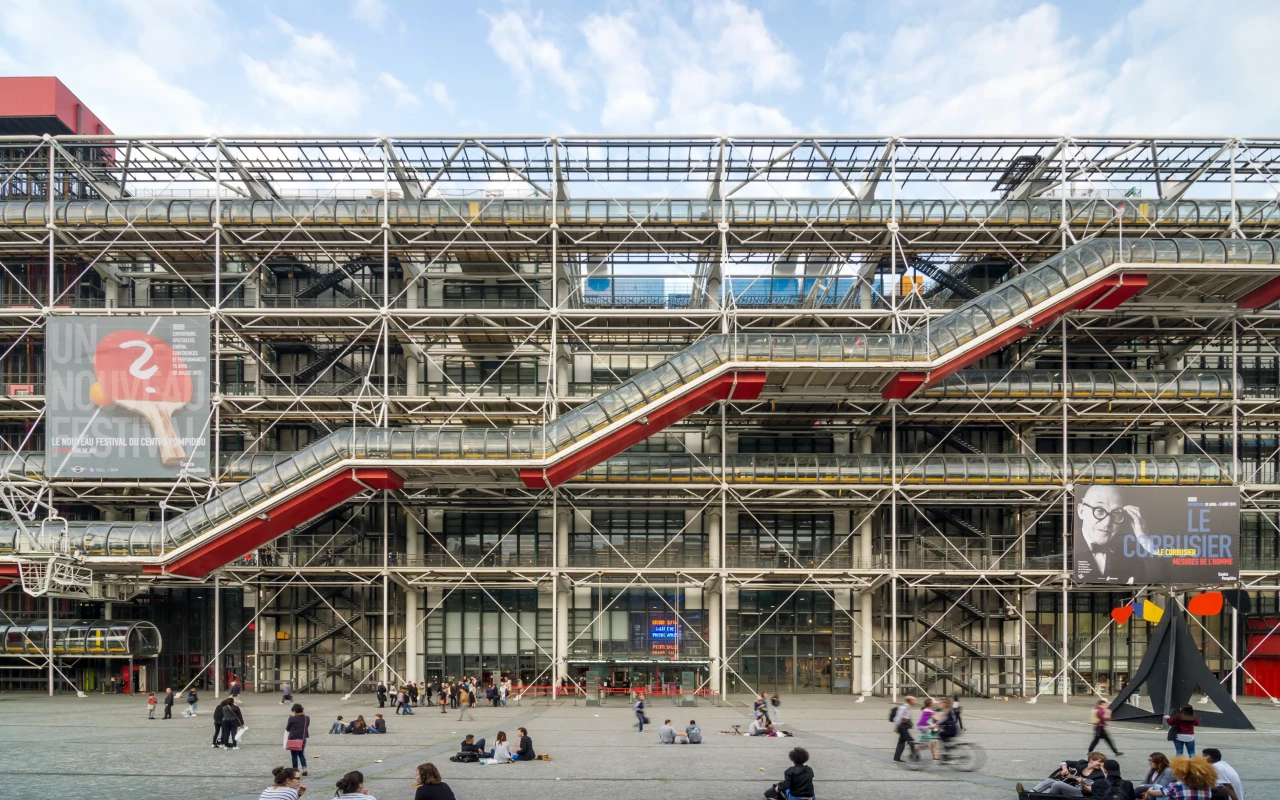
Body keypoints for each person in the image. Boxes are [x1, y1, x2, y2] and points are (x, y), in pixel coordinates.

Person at [1074, 485, 1154, 584]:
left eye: (1116, 513)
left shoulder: (1129, 553)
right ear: (1081, 511)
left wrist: (1144, 540)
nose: (1107, 523)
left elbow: (1160, 579)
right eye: (1099, 511)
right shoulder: (1066, 546)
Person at [1022, 752, 1108, 797]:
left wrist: (1083, 784)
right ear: (1091, 760)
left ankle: (1045, 797)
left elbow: (1093, 790)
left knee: (1057, 784)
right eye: (1100, 761)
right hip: (1072, 786)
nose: (1101, 764)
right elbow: (1064, 762)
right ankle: (1031, 792)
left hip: (1082, 794)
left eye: (1102, 762)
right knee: (1050, 780)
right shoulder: (1081, 763)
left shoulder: (1099, 775)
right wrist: (1064, 769)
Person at [284, 703, 310, 776]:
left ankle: (295, 771)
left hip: (293, 738)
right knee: (301, 754)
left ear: (295, 710)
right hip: (303, 738)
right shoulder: (306, 718)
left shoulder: (292, 718)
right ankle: (304, 769)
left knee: (294, 755)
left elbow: (287, 728)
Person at [891, 695, 916, 763]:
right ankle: (914, 756)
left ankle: (896, 758)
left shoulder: (907, 707)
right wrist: (896, 727)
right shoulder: (903, 707)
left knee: (901, 742)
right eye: (913, 700)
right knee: (911, 740)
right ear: (910, 700)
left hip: (905, 727)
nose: (915, 701)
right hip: (902, 727)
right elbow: (898, 717)